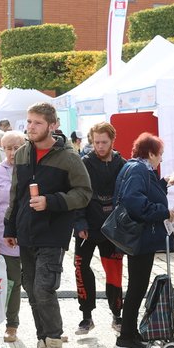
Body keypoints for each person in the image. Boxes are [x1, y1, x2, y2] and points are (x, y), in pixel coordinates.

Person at [4, 102, 92, 348]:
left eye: (37, 123)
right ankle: (42, 343)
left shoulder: (68, 157)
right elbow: (15, 194)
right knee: (31, 290)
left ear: (52, 125)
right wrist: (10, 227)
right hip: (26, 232)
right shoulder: (21, 153)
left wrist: (51, 201)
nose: (31, 127)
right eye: (29, 122)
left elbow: (84, 193)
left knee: (44, 289)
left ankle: (54, 344)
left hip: (53, 234)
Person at [112, 133, 174, 348]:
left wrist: (163, 183)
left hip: (141, 236)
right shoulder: (139, 170)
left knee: (137, 286)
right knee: (137, 287)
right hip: (140, 237)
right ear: (150, 153)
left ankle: (130, 332)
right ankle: (126, 337)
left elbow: (143, 194)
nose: (160, 159)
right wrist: (164, 212)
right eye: (159, 155)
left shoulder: (138, 168)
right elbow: (135, 202)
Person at [72, 122, 127, 336]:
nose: (100, 146)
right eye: (96, 142)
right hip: (88, 225)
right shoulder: (84, 163)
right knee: (81, 268)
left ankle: (117, 314)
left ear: (113, 141)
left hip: (111, 227)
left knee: (114, 271)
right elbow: (77, 194)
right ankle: (86, 316)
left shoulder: (122, 163)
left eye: (104, 142)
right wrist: (79, 222)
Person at [0, 130, 26, 342]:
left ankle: (47, 327)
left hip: (30, 236)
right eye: (7, 148)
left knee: (39, 283)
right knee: (13, 281)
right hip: (5, 237)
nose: (11, 152)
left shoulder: (32, 170)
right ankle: (12, 324)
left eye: (16, 147)